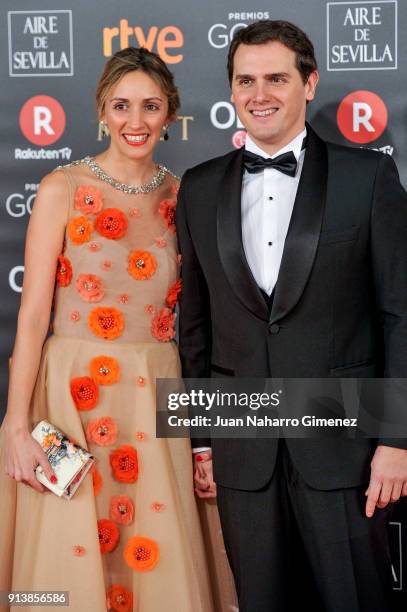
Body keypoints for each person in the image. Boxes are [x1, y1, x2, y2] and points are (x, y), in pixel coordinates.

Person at [176, 19, 407, 612]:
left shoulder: (369, 177)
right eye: (245, 80)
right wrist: (200, 440)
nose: (260, 94)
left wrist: (398, 441)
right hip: (241, 446)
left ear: (310, 83)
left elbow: (399, 315)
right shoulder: (198, 188)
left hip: (346, 445)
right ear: (230, 91)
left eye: (277, 78)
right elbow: (195, 327)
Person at [0, 46, 230, 612]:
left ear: (170, 115)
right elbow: (31, 316)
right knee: (68, 548)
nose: (136, 121)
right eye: (121, 106)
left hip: (156, 386)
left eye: (151, 106)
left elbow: (203, 319)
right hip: (69, 392)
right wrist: (15, 423)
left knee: (151, 545)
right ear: (102, 111)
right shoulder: (61, 188)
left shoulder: (186, 196)